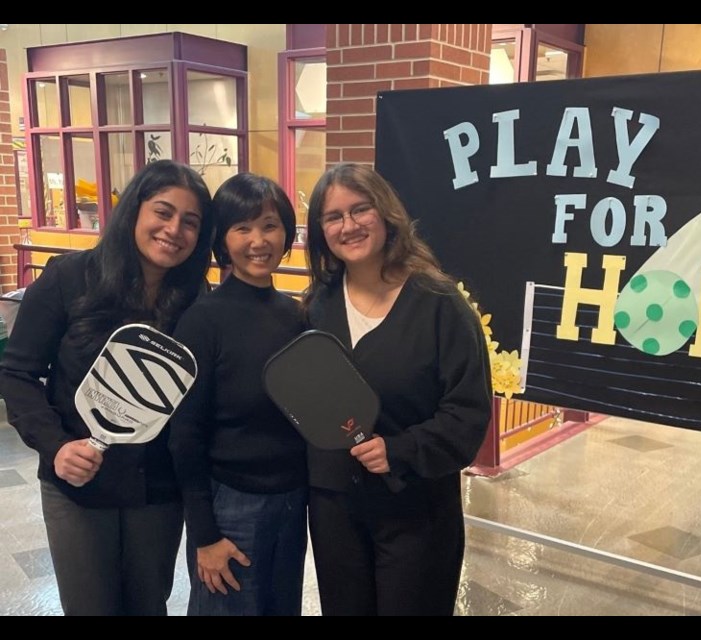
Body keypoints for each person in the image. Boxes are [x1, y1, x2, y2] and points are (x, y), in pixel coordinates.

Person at [0, 160, 215, 615]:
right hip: (78, 485)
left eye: (190, 222)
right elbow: (16, 374)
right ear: (134, 211)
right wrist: (56, 447)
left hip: (157, 489)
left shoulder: (198, 300)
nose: (174, 229)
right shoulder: (68, 277)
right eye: (163, 212)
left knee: (147, 605)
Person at [302, 162, 492, 616]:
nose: (348, 225)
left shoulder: (440, 304)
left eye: (360, 209)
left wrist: (401, 450)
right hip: (335, 511)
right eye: (333, 216)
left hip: (416, 511)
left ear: (386, 214)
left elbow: (467, 414)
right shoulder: (317, 306)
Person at [168, 173, 308, 616]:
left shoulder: (298, 316)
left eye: (269, 225)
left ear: (286, 233)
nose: (258, 240)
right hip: (230, 505)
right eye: (242, 227)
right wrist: (205, 535)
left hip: (293, 499)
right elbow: (184, 434)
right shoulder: (202, 321)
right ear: (221, 240)